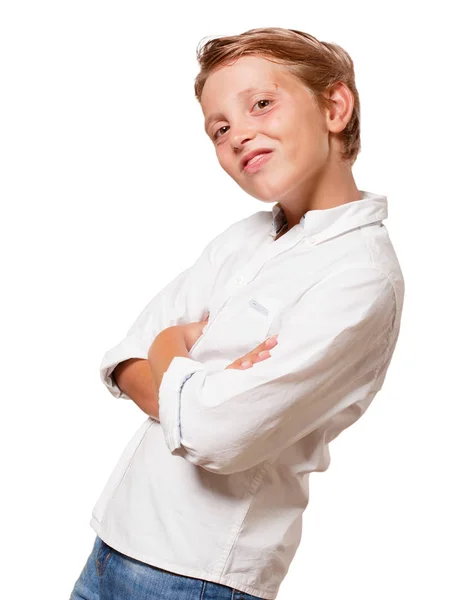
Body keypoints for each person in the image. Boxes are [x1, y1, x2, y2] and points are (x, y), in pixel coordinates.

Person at [70, 26, 405, 600]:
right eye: (219, 128)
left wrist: (170, 347)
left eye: (262, 103)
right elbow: (123, 357)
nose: (239, 135)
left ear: (334, 105)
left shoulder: (359, 275)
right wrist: (192, 379)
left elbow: (215, 436)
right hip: (113, 542)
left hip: (195, 576)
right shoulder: (243, 240)